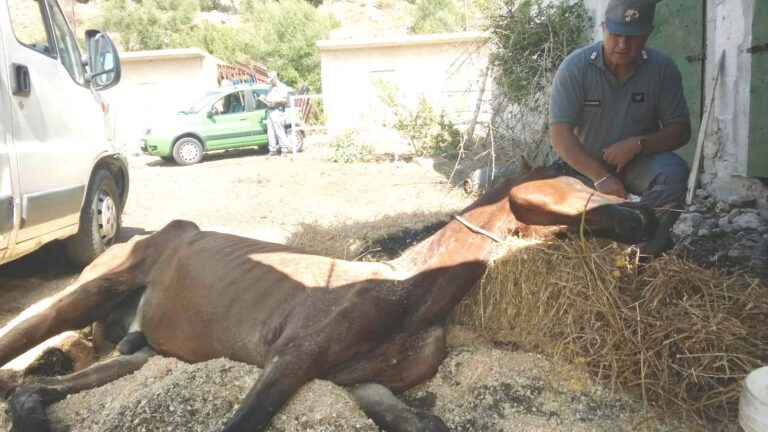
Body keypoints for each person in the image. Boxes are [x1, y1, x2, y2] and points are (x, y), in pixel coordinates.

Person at [548, 0, 691, 256]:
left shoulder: (662, 68)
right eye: (615, 34)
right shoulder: (576, 68)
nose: (623, 45)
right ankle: (605, 245)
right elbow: (559, 134)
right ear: (603, 27)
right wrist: (600, 176)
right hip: (583, 168)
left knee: (674, 172)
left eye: (634, 37)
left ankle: (642, 248)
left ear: (648, 33)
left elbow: (680, 130)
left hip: (638, 164)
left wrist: (638, 144)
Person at [260, 70, 290, 157]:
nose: (271, 82)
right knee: (271, 132)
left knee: (279, 131)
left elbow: (284, 100)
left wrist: (272, 100)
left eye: (272, 80)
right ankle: (272, 150)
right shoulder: (271, 87)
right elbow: (269, 98)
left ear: (276, 78)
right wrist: (264, 99)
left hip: (278, 110)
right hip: (270, 110)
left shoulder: (282, 87)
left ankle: (284, 150)